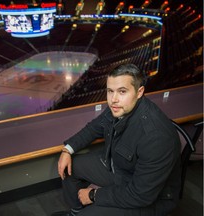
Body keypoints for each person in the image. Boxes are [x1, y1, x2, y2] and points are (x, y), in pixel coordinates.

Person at [52, 64, 181, 216]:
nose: (113, 99)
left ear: (139, 92)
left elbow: (140, 195)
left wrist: (94, 195)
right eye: (110, 91)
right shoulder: (120, 106)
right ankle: (75, 212)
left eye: (122, 91)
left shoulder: (156, 137)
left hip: (149, 198)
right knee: (70, 168)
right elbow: (94, 127)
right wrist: (68, 149)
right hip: (120, 170)